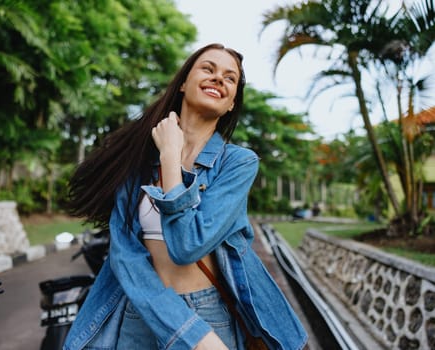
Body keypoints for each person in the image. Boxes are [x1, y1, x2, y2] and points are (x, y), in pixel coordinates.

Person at [63, 43, 308, 350]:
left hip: (207, 315)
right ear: (182, 83)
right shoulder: (137, 157)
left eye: (230, 78)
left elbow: (186, 245)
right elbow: (125, 256)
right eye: (208, 69)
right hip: (141, 312)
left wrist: (170, 159)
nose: (218, 78)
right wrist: (179, 325)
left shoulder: (238, 163)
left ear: (232, 103)